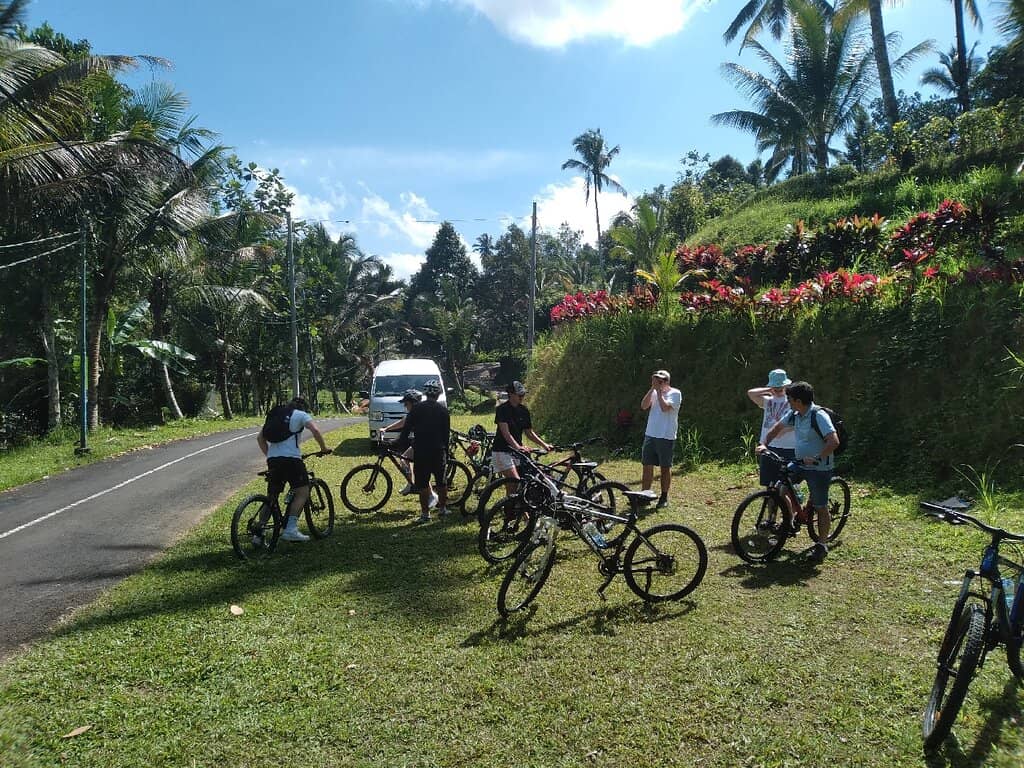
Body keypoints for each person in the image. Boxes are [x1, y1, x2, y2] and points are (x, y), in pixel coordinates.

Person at [756, 380, 840, 560]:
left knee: (820, 506)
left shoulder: (819, 416)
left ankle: (821, 544)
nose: (787, 401)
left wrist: (817, 457)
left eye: (789, 398)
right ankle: (790, 522)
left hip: (819, 467)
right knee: (781, 487)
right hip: (800, 462)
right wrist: (764, 444)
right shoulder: (795, 414)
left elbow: (834, 441)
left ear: (798, 400)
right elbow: (777, 428)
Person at [256, 396, 330, 542]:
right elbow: (315, 430)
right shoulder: (301, 415)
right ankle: (290, 529)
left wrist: (270, 455)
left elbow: (260, 438)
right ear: (304, 407)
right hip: (291, 460)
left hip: (273, 460)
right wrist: (323, 448)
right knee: (303, 491)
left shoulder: (278, 415)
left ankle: (258, 534)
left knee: (272, 497)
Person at [397, 379, 450, 523]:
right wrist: (447, 451)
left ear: (425, 393)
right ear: (438, 394)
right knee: (441, 482)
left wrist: (399, 445)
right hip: (439, 450)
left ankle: (425, 514)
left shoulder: (416, 409)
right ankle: (443, 509)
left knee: (422, 483)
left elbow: (406, 430)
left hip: (421, 450)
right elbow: (446, 434)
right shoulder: (443, 410)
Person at [381, 389, 437, 507]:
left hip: (427, 444)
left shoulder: (421, 412)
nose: (405, 407)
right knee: (404, 459)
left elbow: (405, 425)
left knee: (421, 470)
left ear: (413, 402)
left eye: (406, 404)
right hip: (420, 442)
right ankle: (411, 484)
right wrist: (387, 429)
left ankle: (432, 495)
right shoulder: (416, 412)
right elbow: (404, 421)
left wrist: (393, 441)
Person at [490, 380, 552, 483]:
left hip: (517, 453)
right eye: (519, 394)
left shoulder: (524, 411)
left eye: (523, 394)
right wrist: (518, 447)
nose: (522, 397)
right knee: (515, 481)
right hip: (502, 451)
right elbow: (506, 433)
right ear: (511, 394)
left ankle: (515, 499)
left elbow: (529, 433)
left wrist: (544, 445)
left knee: (529, 480)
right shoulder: (502, 409)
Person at [747, 368, 797, 488]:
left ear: (786, 386)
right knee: (770, 487)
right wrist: (770, 389)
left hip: (789, 448)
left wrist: (783, 430)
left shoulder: (792, 401)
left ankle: (791, 506)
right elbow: (751, 393)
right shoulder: (768, 400)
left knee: (787, 487)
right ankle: (772, 507)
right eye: (775, 387)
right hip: (769, 446)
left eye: (780, 387)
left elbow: (797, 422)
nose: (778, 389)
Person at [640, 369, 682, 509]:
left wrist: (658, 392)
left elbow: (665, 408)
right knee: (647, 466)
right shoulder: (653, 391)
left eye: (660, 380)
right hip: (650, 434)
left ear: (667, 381)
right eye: (655, 380)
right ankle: (645, 496)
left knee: (665, 467)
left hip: (666, 436)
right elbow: (644, 406)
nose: (658, 382)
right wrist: (652, 389)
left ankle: (664, 497)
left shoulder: (675, 393)